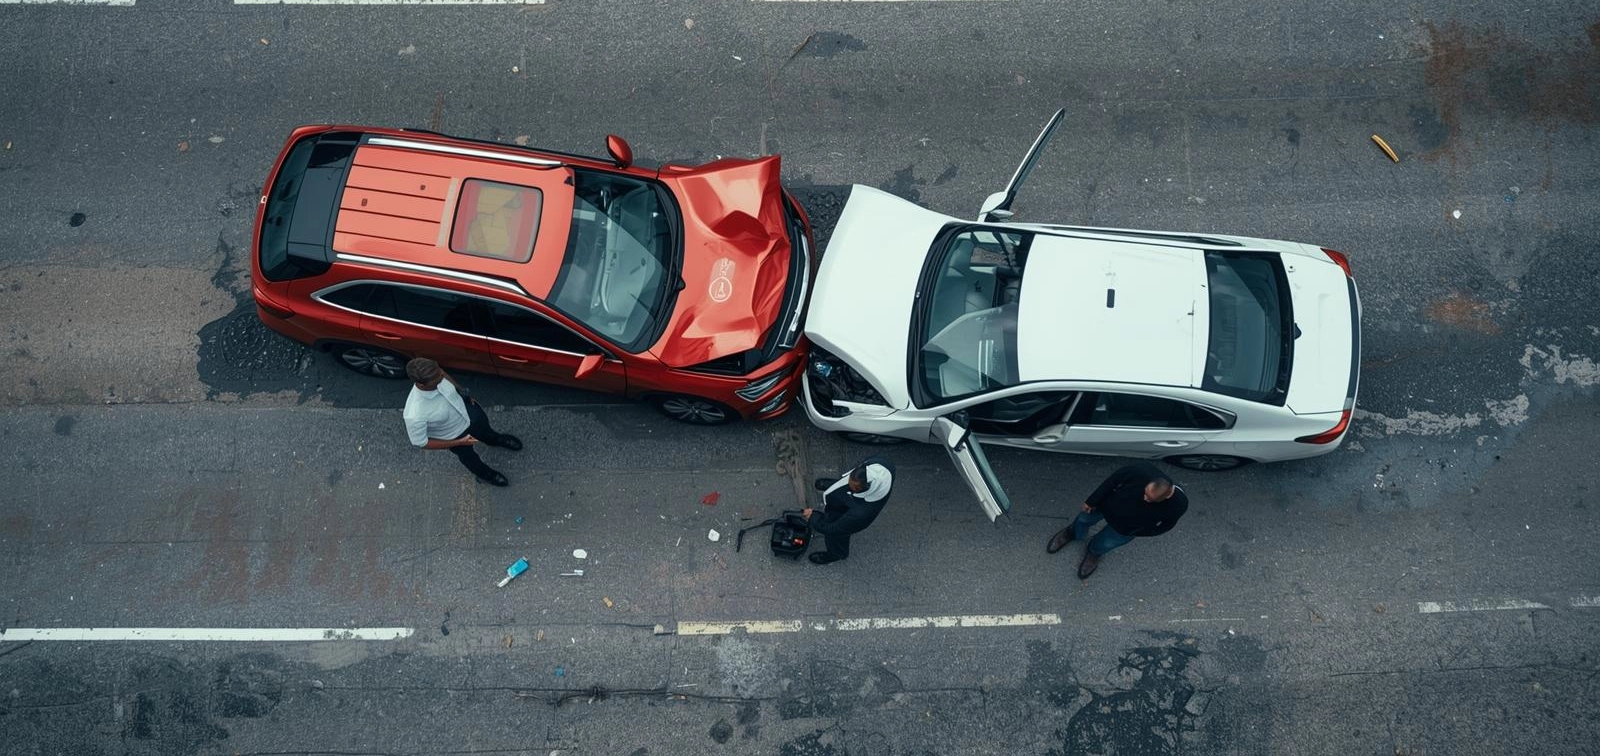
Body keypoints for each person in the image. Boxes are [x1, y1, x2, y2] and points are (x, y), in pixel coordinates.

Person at [1045, 462, 1187, 579]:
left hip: (1125, 528)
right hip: (1105, 506)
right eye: (1145, 493)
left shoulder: (1179, 504)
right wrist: (1092, 500)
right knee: (1083, 519)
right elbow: (1111, 482)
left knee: (1106, 543)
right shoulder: (1139, 469)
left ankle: (1094, 552)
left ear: (1168, 495)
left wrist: (1137, 531)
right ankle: (1073, 533)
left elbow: (1165, 526)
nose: (1145, 498)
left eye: (1151, 499)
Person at [402, 358, 522, 486]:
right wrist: (458, 442)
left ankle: (496, 440)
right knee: (470, 458)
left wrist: (464, 393)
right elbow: (421, 442)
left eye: (440, 372)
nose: (442, 376)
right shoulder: (414, 413)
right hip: (455, 435)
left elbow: (444, 375)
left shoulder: (437, 374)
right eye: (438, 378)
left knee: (487, 432)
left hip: (469, 412)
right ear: (421, 385)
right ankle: (487, 475)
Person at [803, 456, 895, 565]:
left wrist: (813, 517)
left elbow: (833, 528)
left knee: (837, 535)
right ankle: (834, 488)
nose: (848, 484)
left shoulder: (859, 514)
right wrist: (839, 485)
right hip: (855, 496)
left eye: (852, 487)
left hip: (848, 518)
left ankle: (837, 554)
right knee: (845, 487)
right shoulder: (882, 464)